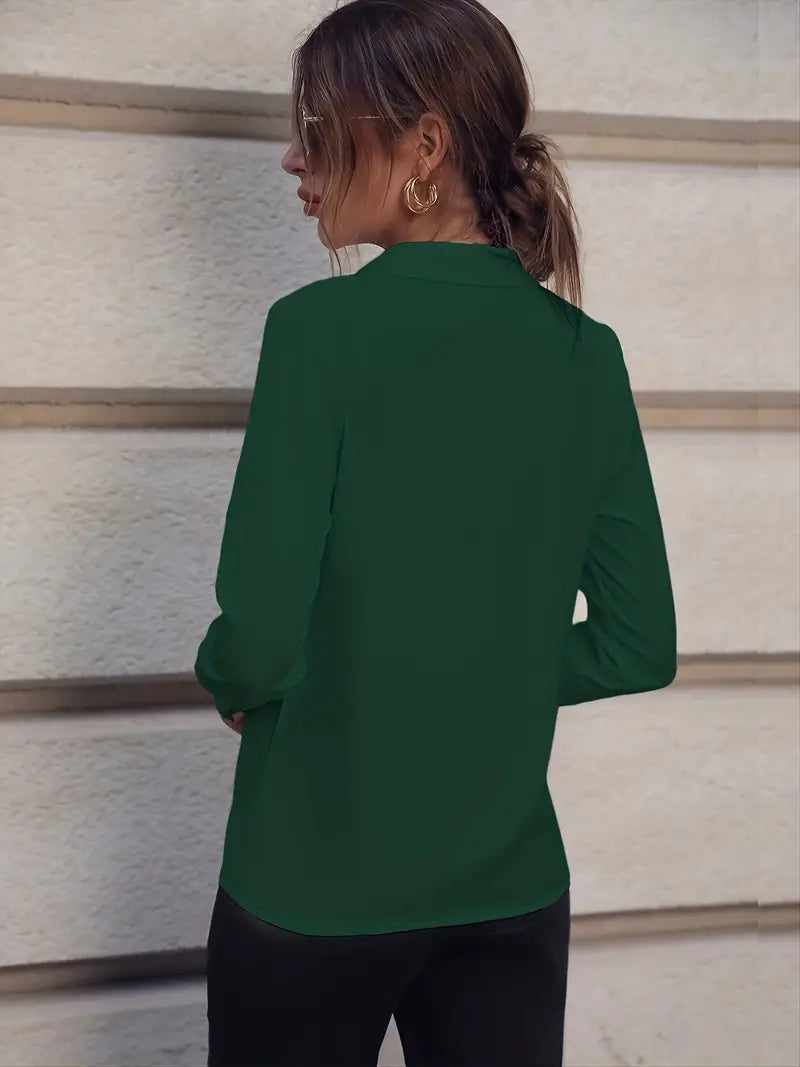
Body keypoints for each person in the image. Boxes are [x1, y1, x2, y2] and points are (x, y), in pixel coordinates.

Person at [195, 0, 677, 1063]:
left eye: (317, 127)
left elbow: (259, 640)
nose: (294, 159)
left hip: (313, 885)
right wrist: (479, 674)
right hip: (508, 891)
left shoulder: (317, 333)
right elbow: (639, 642)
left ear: (424, 145)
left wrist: (229, 674)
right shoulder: (585, 354)